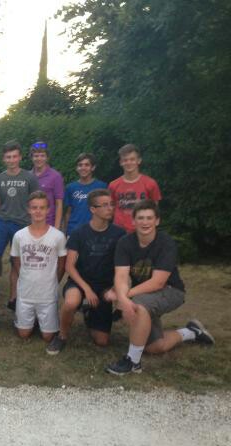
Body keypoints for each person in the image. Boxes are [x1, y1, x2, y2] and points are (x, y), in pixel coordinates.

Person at [104, 200, 214, 375]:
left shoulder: (166, 242)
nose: (145, 222)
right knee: (155, 347)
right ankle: (192, 332)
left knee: (139, 305)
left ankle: (133, 362)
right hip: (145, 294)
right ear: (133, 221)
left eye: (149, 218)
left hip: (171, 291)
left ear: (157, 221)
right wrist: (124, 297)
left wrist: (124, 297)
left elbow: (158, 282)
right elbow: (122, 275)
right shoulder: (125, 242)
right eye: (140, 218)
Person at [46, 189, 125, 355]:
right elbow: (69, 266)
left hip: (104, 286)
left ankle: (89, 313)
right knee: (71, 302)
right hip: (79, 281)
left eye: (111, 204)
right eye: (104, 205)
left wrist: (116, 288)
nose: (110, 208)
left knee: (102, 341)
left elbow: (122, 266)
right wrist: (87, 289)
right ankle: (61, 336)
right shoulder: (79, 233)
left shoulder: (119, 234)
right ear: (92, 209)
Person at [10, 191, 67, 342]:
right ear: (28, 209)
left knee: (48, 337)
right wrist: (25, 275)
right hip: (25, 293)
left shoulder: (58, 236)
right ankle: (30, 319)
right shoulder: (19, 235)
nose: (38, 211)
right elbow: (16, 260)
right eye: (34, 207)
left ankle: (40, 319)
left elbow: (62, 264)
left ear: (48, 210)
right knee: (23, 334)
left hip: (47, 294)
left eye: (42, 208)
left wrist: (54, 281)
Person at [0, 140, 40, 309]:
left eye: (14, 156)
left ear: (20, 157)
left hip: (22, 224)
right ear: (4, 159)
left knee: (17, 262)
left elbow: (35, 202)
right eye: (8, 157)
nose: (11, 160)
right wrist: (3, 217)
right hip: (2, 223)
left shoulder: (30, 178)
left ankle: (14, 298)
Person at [108, 144, 161, 233]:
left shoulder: (150, 183)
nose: (128, 163)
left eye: (132, 159)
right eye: (125, 160)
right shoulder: (113, 185)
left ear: (139, 160)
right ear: (120, 162)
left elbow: (154, 209)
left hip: (142, 230)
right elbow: (111, 208)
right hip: (118, 232)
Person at [62, 153, 108, 235]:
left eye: (87, 165)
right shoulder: (70, 188)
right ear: (77, 168)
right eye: (80, 165)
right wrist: (65, 232)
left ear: (93, 167)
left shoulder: (101, 186)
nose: (83, 168)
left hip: (95, 231)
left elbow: (106, 211)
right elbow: (68, 212)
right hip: (74, 231)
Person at [30, 141, 64, 230]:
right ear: (32, 158)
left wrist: (56, 228)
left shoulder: (55, 176)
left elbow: (59, 204)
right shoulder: (28, 176)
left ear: (47, 157)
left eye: (42, 155)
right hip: (30, 224)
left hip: (49, 225)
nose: (39, 159)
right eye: (36, 156)